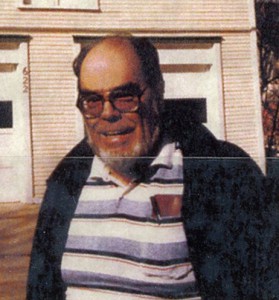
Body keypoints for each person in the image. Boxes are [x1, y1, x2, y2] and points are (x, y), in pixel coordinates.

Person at [27, 36, 279, 299]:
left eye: (124, 97)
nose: (107, 113)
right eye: (92, 100)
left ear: (158, 92)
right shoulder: (65, 183)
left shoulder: (224, 176)